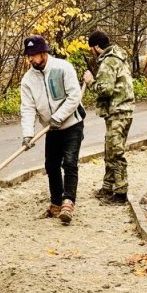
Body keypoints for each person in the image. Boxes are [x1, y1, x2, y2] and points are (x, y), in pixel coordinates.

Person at [20, 35, 84, 224]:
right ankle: (56, 202)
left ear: (43, 53)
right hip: (51, 129)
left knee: (70, 162)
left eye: (34, 55)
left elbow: (74, 96)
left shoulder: (63, 68)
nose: (31, 59)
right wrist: (28, 134)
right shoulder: (28, 80)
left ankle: (68, 202)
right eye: (28, 55)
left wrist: (59, 116)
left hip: (72, 124)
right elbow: (28, 108)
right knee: (51, 165)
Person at [82, 30, 135, 205]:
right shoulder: (118, 56)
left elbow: (105, 89)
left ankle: (120, 193)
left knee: (115, 152)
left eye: (92, 48)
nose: (91, 52)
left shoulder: (109, 61)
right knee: (110, 150)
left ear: (97, 46)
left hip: (117, 111)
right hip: (122, 110)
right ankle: (108, 187)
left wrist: (90, 81)